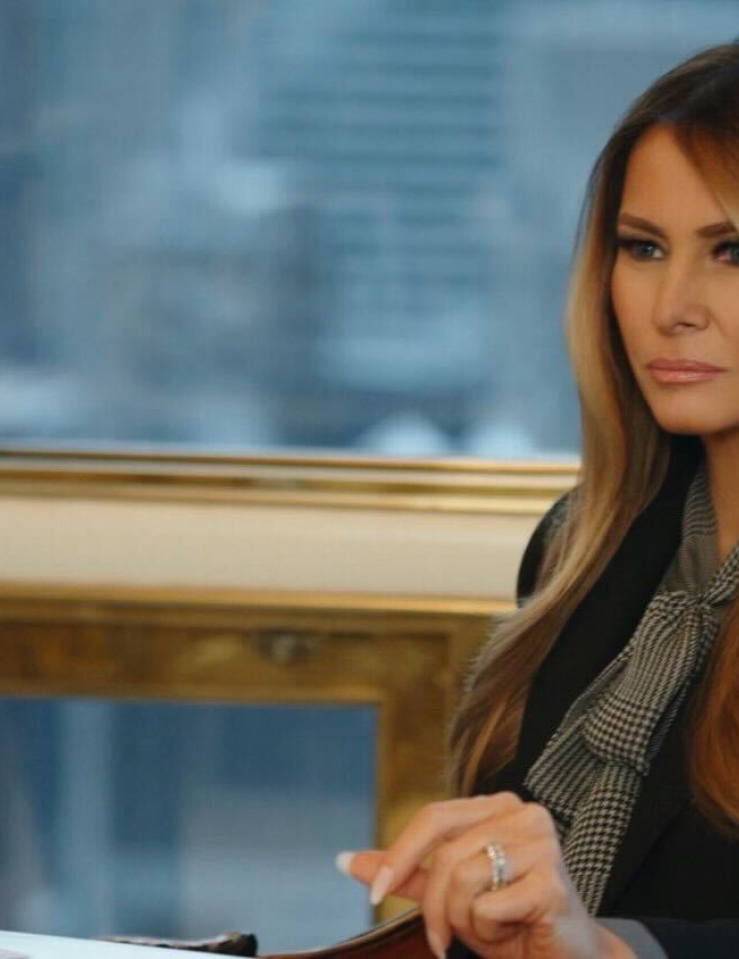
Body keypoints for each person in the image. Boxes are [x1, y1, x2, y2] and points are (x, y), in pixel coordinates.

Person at [335, 41, 739, 959]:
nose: (670, 305)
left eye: (731, 250)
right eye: (642, 247)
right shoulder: (580, 545)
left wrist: (607, 948)